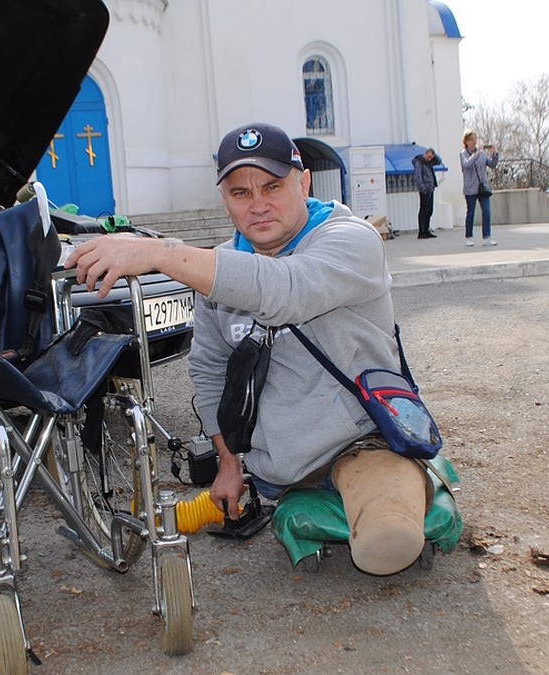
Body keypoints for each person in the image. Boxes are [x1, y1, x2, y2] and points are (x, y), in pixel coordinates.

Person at [65, 123, 434, 575]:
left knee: (385, 536)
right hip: (279, 470)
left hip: (360, 441)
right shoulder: (219, 272)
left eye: (273, 186)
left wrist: (160, 253)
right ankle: (301, 503)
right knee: (322, 520)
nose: (258, 205)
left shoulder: (350, 240)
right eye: (240, 192)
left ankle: (405, 490)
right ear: (226, 201)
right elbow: (207, 371)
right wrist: (228, 463)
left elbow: (284, 291)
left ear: (303, 182)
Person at [459, 129, 499, 247]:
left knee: (486, 212)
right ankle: (469, 237)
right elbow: (467, 164)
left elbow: (492, 164)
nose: (474, 141)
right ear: (466, 141)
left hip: (482, 187)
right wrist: (475, 155)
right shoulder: (463, 153)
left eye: (475, 139)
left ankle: (487, 237)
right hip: (470, 188)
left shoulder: (481, 153)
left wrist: (494, 154)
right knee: (471, 212)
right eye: (471, 139)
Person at [412, 147, 441, 239]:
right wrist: (423, 188)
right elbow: (418, 176)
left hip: (431, 188)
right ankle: (421, 231)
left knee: (429, 210)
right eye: (428, 157)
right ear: (425, 154)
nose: (429, 159)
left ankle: (426, 229)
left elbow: (439, 161)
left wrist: (433, 154)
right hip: (425, 189)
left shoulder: (429, 162)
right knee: (423, 210)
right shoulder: (419, 162)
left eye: (431, 158)